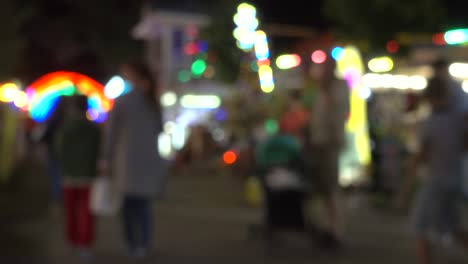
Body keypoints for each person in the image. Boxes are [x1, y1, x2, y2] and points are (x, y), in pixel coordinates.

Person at [100, 59, 166, 259]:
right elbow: (159, 129)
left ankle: (133, 244)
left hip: (128, 162)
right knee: (143, 207)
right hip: (147, 162)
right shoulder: (152, 100)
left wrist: (106, 158)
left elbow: (111, 133)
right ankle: (143, 244)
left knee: (129, 208)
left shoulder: (124, 101)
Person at [398, 77, 468, 264]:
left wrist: (406, 187)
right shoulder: (458, 120)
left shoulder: (432, 122)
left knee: (420, 227)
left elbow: (420, 156)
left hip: (436, 182)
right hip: (455, 179)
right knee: (453, 226)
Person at [309, 57, 349, 246]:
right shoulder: (324, 90)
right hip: (322, 143)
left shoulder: (336, 88)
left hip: (329, 144)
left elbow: (336, 115)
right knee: (325, 188)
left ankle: (335, 230)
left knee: (330, 187)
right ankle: (330, 226)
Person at [55, 95, 101, 260]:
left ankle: (72, 240)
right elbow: (99, 150)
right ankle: (85, 244)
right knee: (87, 212)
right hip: (88, 175)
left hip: (68, 174)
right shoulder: (93, 128)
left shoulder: (66, 127)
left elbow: (58, 149)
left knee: (70, 211)